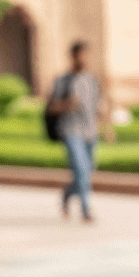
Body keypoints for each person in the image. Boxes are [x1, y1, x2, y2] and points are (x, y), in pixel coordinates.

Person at [47, 41, 101, 222]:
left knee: (87, 171)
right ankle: (86, 209)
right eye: (80, 55)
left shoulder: (92, 80)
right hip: (71, 131)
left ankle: (67, 194)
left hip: (90, 132)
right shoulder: (63, 81)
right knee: (81, 170)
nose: (83, 59)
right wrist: (66, 105)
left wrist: (106, 127)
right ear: (73, 57)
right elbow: (50, 108)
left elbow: (97, 107)